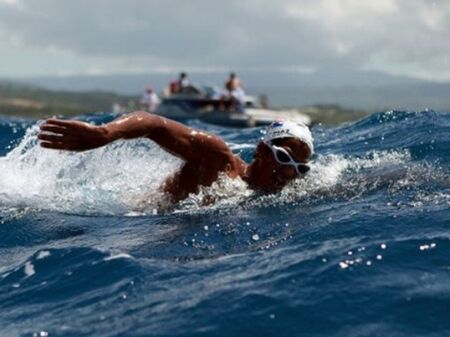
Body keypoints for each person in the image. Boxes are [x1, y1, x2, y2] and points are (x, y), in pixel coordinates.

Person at [38, 112, 313, 203]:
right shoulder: (217, 160)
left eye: (300, 169)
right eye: (283, 158)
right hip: (127, 218)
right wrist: (106, 133)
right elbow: (155, 124)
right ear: (262, 151)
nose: (288, 174)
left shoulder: (278, 194)